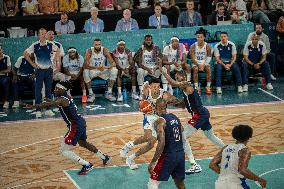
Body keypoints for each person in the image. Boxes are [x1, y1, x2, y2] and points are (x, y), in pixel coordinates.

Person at [24, 81, 111, 175]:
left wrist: (34, 106)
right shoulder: (65, 97)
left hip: (75, 126)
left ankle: (86, 165)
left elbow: (50, 104)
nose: (55, 90)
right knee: (83, 143)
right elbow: (56, 102)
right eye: (55, 88)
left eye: (57, 88)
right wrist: (50, 101)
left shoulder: (62, 99)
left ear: (63, 90)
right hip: (81, 122)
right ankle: (104, 157)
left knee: (64, 150)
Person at [161, 69, 226, 174]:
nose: (177, 80)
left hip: (199, 115)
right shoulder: (185, 89)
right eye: (176, 78)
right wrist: (170, 103)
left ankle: (194, 164)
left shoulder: (188, 85)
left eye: (178, 78)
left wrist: (162, 71)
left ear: (184, 78)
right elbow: (183, 104)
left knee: (182, 136)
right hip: (201, 114)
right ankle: (228, 150)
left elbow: (173, 83)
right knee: (211, 136)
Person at [120, 77, 185, 170]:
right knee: (148, 138)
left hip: (161, 117)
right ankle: (128, 146)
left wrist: (183, 101)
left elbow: (177, 102)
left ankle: (130, 158)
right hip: (150, 117)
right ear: (150, 87)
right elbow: (141, 104)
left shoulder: (165, 95)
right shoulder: (147, 91)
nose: (156, 88)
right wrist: (142, 106)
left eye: (158, 86)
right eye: (154, 86)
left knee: (152, 143)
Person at [209, 124, 267, 189]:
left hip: (220, 184)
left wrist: (225, 174)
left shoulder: (225, 148)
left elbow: (212, 165)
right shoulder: (244, 150)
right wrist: (259, 179)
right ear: (249, 136)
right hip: (236, 184)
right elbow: (242, 170)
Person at [148, 98, 186, 189]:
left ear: (156, 108)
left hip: (169, 155)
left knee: (153, 182)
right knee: (179, 183)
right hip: (180, 154)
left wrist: (153, 162)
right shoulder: (175, 117)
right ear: (166, 107)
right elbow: (182, 131)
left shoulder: (160, 121)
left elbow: (161, 143)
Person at [24, 28, 60, 118]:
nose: (44, 35)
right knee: (38, 90)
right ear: (39, 35)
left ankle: (48, 109)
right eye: (42, 34)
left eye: (45, 33)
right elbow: (25, 54)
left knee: (48, 90)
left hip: (49, 70)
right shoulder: (35, 45)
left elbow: (58, 50)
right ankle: (38, 110)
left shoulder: (51, 44)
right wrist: (33, 64)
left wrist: (55, 60)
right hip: (39, 71)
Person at [83, 38, 118, 103]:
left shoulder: (105, 50)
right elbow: (85, 65)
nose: (97, 46)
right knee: (85, 71)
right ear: (93, 45)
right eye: (96, 44)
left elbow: (113, 63)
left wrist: (107, 67)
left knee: (114, 70)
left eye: (99, 44)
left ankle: (109, 93)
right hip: (93, 70)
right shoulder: (89, 51)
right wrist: (96, 67)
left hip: (102, 70)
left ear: (101, 44)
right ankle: (91, 94)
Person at [189, 29, 212, 95]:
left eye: (201, 37)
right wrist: (199, 65)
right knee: (195, 69)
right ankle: (196, 87)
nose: (199, 38)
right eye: (198, 37)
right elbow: (192, 58)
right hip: (195, 63)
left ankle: (208, 87)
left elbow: (209, 57)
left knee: (208, 69)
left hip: (204, 63)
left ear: (204, 37)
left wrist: (204, 64)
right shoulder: (193, 46)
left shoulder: (208, 46)